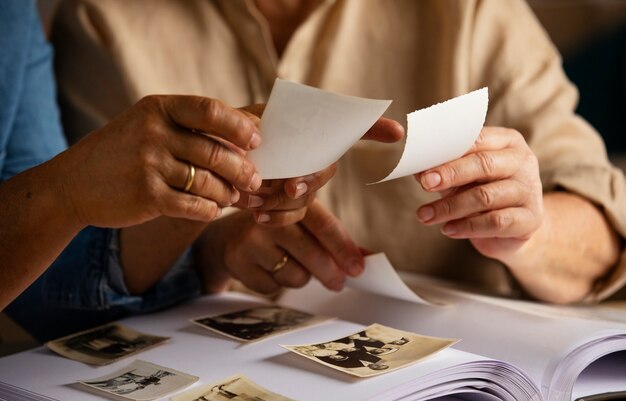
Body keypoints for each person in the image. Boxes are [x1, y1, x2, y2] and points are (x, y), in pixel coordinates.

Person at [50, 0, 626, 305]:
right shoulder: (106, 20)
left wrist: (530, 232)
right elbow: (75, 270)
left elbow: (605, 228)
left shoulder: (470, 11)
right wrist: (212, 250)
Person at [1, 0, 404, 341]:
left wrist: (204, 233)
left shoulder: (15, 13)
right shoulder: (98, 17)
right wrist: (70, 191)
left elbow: (39, 279)